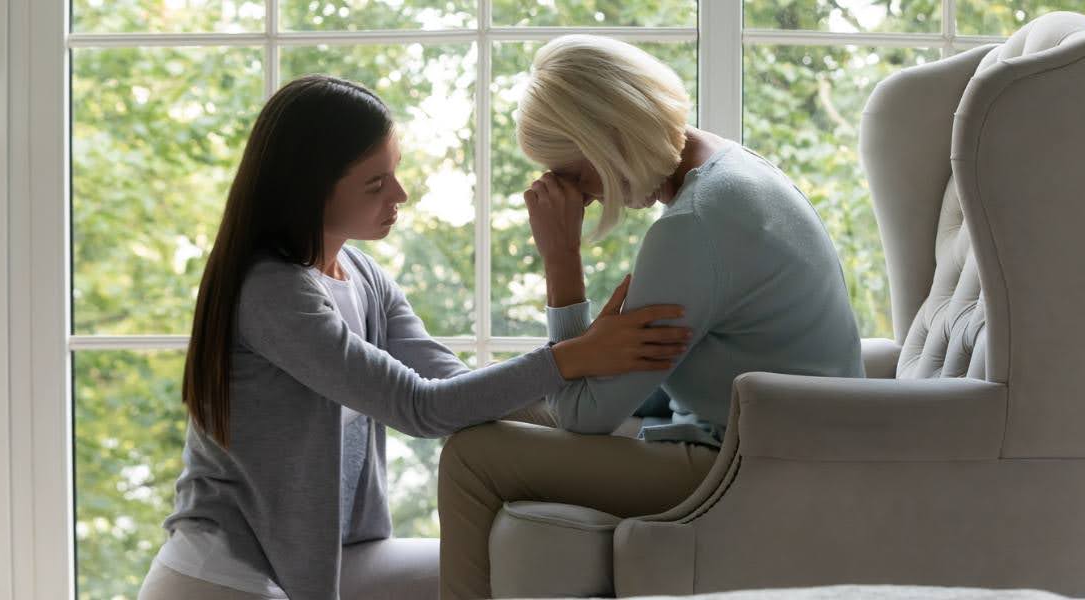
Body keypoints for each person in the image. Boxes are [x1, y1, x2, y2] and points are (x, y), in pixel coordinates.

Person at [137, 74, 692, 600]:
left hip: (328, 561)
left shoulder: (361, 275)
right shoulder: (272, 294)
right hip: (224, 576)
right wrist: (570, 357)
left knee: (517, 570)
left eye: (394, 171)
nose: (399, 193)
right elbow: (418, 408)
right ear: (309, 192)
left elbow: (456, 385)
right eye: (375, 184)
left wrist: (635, 428)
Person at [437, 35, 866, 599]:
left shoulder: (694, 225)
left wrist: (561, 256)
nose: (582, 199)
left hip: (753, 465)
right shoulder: (733, 169)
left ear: (607, 139)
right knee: (504, 411)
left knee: (472, 455)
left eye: (573, 174)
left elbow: (581, 417)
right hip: (774, 442)